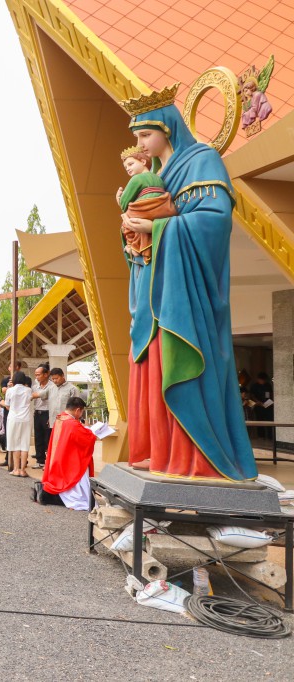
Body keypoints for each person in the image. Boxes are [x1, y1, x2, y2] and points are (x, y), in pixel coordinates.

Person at [122, 87, 256, 481]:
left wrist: (158, 228)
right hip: (153, 292)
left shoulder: (202, 160)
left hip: (184, 295)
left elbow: (214, 221)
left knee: (178, 365)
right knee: (151, 364)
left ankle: (194, 460)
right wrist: (133, 236)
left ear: (167, 127)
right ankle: (159, 454)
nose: (140, 145)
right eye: (137, 137)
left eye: (145, 135)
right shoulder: (155, 177)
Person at [32, 398, 96, 510]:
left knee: (60, 483)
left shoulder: (60, 418)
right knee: (76, 494)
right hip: (69, 459)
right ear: (77, 410)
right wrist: (88, 428)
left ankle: (44, 491)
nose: (81, 415)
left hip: (60, 455)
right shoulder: (72, 424)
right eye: (81, 412)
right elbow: (87, 438)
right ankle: (45, 495)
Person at [116, 146, 175, 265]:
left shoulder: (137, 179)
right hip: (162, 207)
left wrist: (119, 199)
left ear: (143, 161)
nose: (128, 168)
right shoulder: (158, 177)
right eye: (126, 167)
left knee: (126, 222)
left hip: (146, 207)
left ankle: (132, 246)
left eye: (131, 164)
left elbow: (124, 202)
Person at [1, 371, 34, 477]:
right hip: (26, 419)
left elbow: (7, 405)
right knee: (24, 444)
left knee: (15, 444)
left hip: (13, 419)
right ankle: (23, 470)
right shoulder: (29, 390)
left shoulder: (10, 390)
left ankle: (16, 469)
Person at [31, 364, 52, 470]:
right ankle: (40, 461)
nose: (37, 377)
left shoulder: (52, 386)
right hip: (37, 413)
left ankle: (49, 461)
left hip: (48, 414)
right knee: (38, 437)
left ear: (46, 374)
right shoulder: (35, 386)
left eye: (39, 374)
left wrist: (51, 416)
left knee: (48, 438)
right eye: (36, 375)